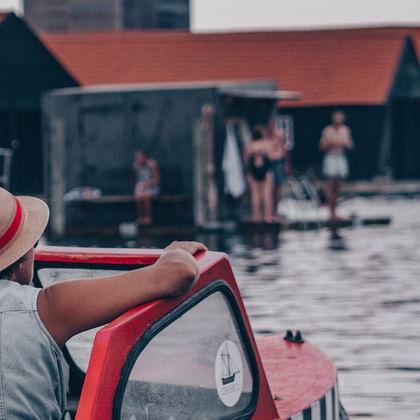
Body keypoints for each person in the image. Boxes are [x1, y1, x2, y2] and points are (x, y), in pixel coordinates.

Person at [0, 187, 206, 419]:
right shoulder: (47, 308)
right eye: (33, 243)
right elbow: (179, 273)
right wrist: (175, 252)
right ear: (18, 262)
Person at [319, 111, 354, 220]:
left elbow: (349, 145)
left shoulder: (345, 130)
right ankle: (331, 212)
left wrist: (339, 143)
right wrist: (333, 143)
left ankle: (336, 212)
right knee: (330, 185)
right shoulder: (327, 130)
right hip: (331, 157)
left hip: (340, 157)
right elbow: (322, 145)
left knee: (338, 186)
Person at [244, 127, 273, 222]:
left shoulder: (249, 146)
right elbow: (272, 157)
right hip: (265, 168)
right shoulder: (266, 144)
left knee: (255, 194)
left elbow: (245, 160)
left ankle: (256, 217)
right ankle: (267, 216)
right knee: (266, 193)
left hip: (253, 169)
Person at [264, 119, 290, 219]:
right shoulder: (265, 135)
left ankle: (276, 210)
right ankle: (269, 211)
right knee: (268, 188)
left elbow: (285, 149)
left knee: (278, 187)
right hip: (268, 162)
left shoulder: (279, 134)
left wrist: (287, 164)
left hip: (278, 162)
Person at [132, 150, 160, 225]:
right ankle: (141, 217)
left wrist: (147, 185)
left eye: (140, 158)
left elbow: (156, 181)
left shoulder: (152, 165)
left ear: (145, 158)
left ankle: (148, 217)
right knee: (138, 197)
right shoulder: (136, 166)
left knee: (145, 196)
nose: (138, 160)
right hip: (142, 188)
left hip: (153, 188)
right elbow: (136, 180)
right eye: (137, 158)